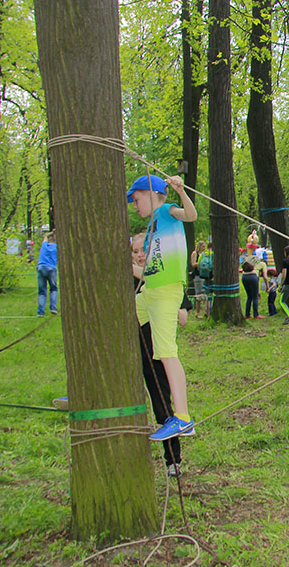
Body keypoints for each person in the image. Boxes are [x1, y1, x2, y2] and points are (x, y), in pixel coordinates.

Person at [127, 173, 197, 441]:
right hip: (150, 292)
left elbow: (190, 215)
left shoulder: (166, 212)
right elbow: (148, 272)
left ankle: (183, 418)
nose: (135, 206)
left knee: (166, 352)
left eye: (137, 199)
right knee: (120, 321)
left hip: (167, 292)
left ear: (152, 193)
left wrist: (180, 191)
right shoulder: (151, 230)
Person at [132, 233, 187, 476]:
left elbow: (182, 315)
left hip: (154, 355)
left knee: (162, 404)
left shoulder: (163, 278)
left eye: (144, 249)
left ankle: (172, 460)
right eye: (134, 251)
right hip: (126, 351)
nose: (140, 255)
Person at [36, 230, 59, 317]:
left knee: (42, 291)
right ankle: (53, 307)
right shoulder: (56, 247)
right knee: (53, 289)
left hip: (41, 268)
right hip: (51, 268)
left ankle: (40, 312)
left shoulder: (44, 246)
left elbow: (45, 237)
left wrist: (51, 233)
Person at [190, 240, 207, 318]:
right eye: (202, 246)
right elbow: (193, 264)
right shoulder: (195, 254)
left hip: (204, 275)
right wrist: (199, 263)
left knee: (205, 293)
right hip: (197, 275)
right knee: (198, 294)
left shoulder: (204, 254)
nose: (204, 248)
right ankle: (198, 312)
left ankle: (206, 311)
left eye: (204, 247)